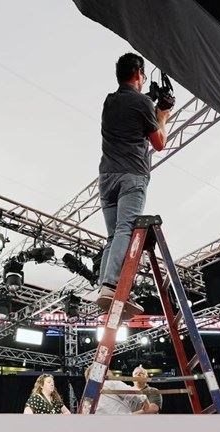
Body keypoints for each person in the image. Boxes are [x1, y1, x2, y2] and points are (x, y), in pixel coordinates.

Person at [93, 52, 173, 317]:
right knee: (125, 230)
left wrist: (150, 102)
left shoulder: (109, 101)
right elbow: (159, 143)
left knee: (113, 235)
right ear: (139, 73)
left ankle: (105, 286)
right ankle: (111, 285)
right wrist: (163, 115)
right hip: (131, 176)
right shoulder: (142, 103)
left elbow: (132, 108)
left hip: (107, 178)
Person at [84, 365, 156, 415]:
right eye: (108, 370)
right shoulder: (110, 383)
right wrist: (145, 401)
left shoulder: (87, 398)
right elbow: (134, 393)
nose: (110, 371)